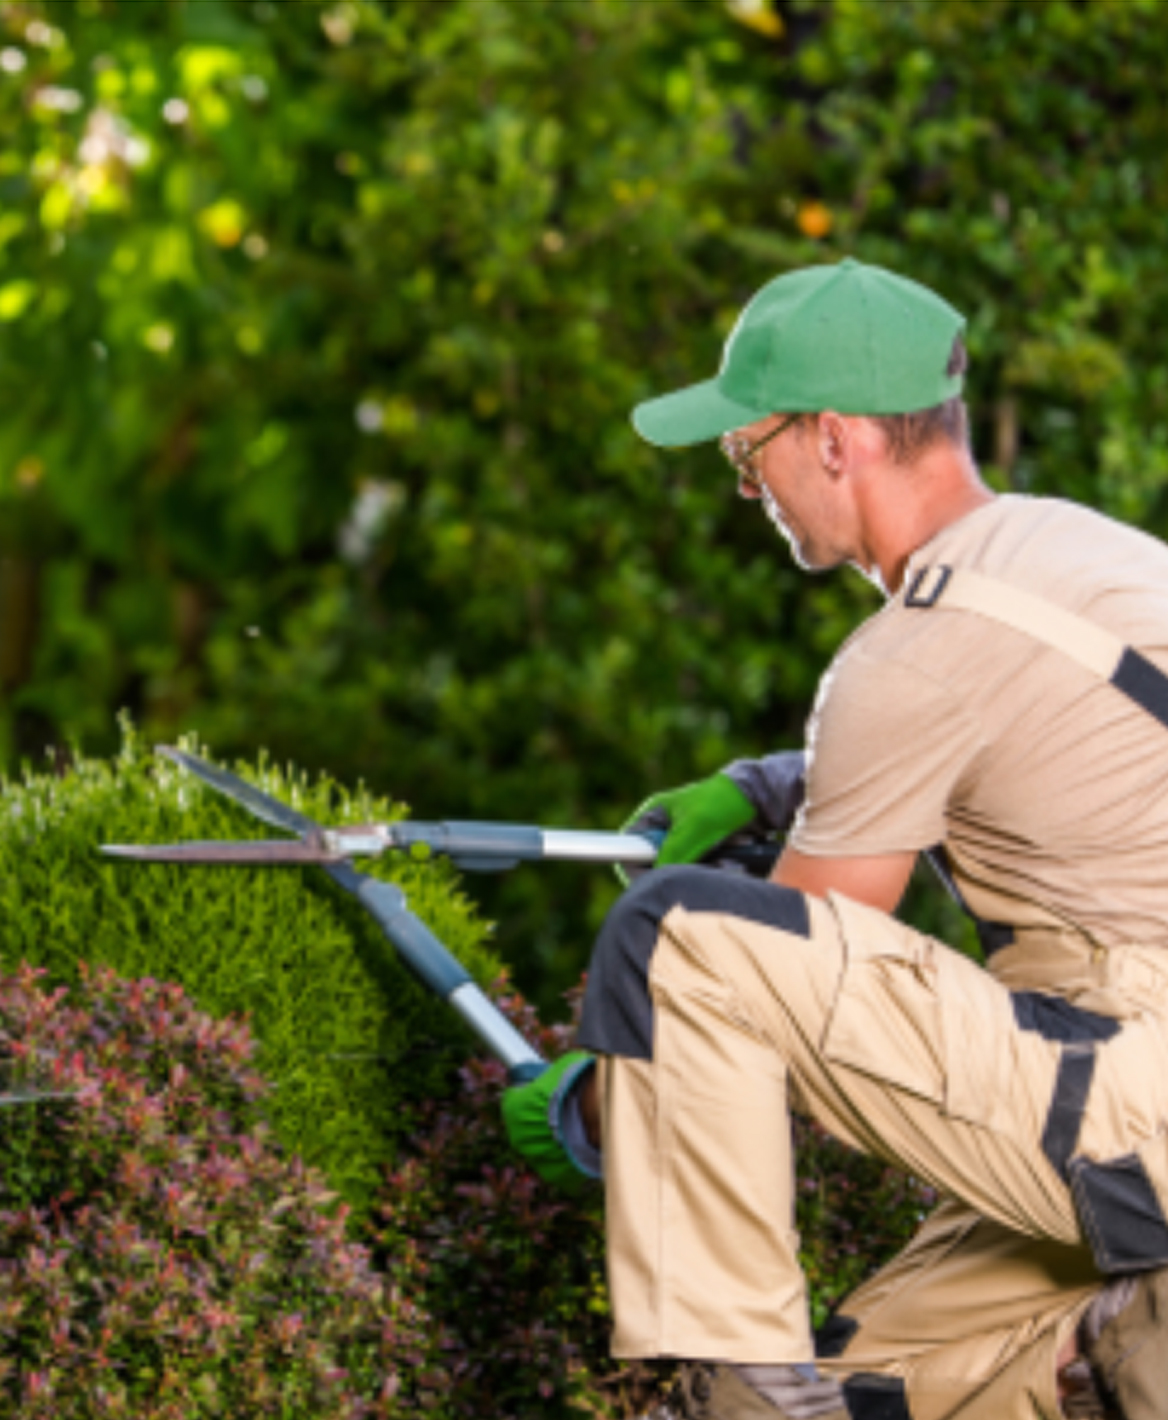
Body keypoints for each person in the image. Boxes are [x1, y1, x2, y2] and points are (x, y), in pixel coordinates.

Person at [503, 258, 1168, 1419]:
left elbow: (792, 981)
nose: (740, 482)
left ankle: (740, 1384)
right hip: (1119, 1086)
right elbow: (1035, 747)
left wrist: (595, 1099)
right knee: (871, 1382)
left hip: (1129, 1096)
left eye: (741, 446)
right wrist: (767, 786)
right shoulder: (1077, 554)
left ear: (831, 437)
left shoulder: (910, 653)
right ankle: (1109, 1345)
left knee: (679, 943)